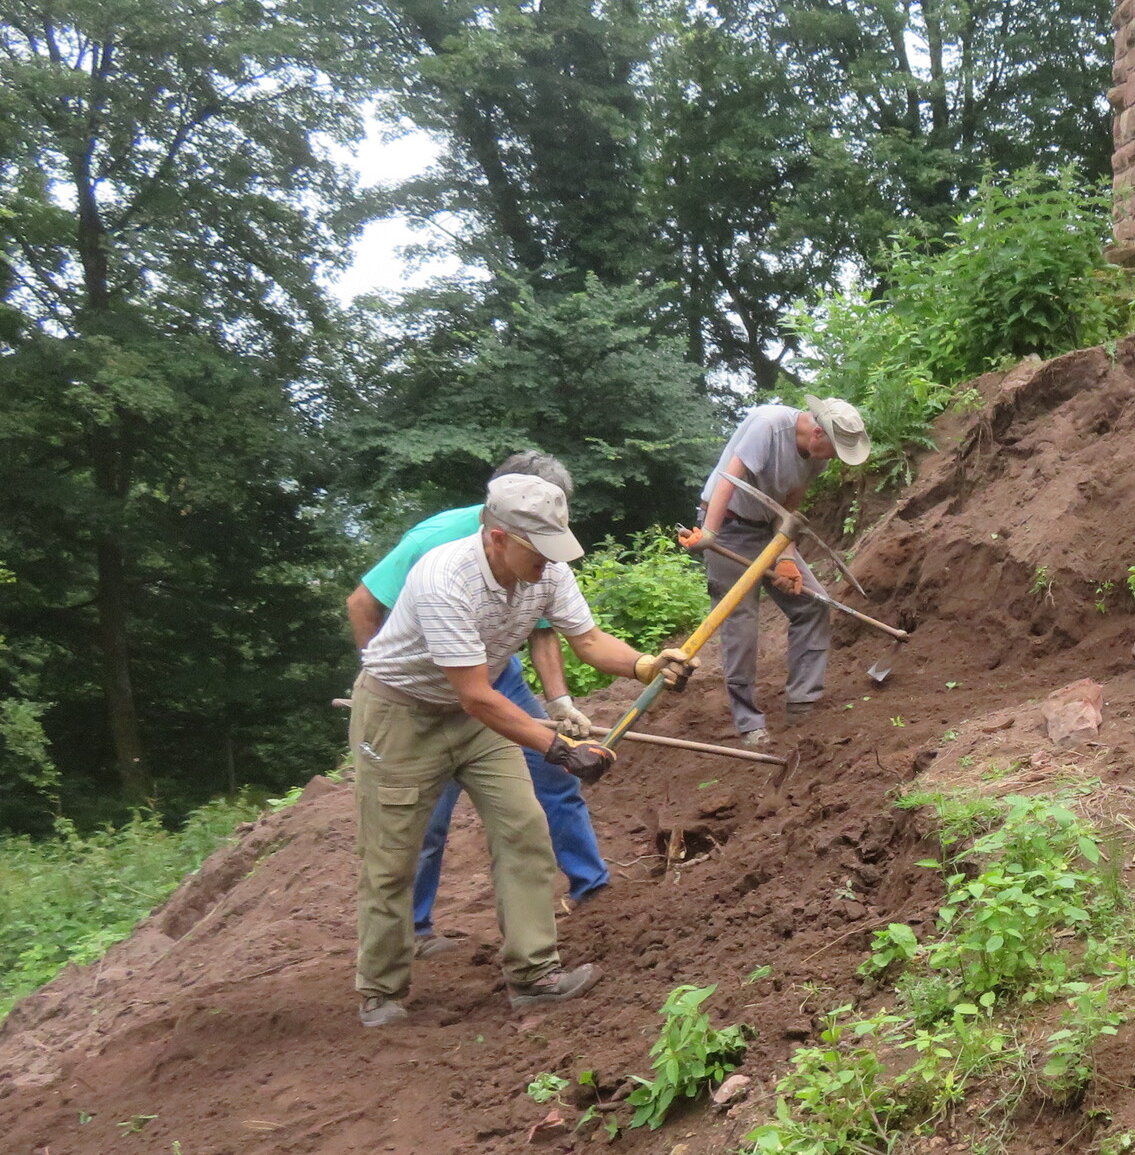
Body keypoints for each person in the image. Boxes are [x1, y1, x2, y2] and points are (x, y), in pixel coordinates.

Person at [349, 473, 687, 1028]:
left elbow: (588, 640)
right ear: (499, 537)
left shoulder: (546, 570)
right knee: (393, 855)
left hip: (474, 714)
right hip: (401, 716)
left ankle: (533, 974)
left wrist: (646, 665)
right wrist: (562, 749)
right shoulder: (443, 578)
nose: (550, 562)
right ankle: (381, 990)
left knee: (524, 829)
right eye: (539, 549)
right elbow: (477, 695)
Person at [346, 452, 608, 956]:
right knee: (415, 829)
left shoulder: (542, 560)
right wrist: (381, 680)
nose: (550, 557)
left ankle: (570, 915)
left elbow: (559, 632)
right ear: (501, 531)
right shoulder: (438, 554)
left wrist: (565, 700)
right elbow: (363, 605)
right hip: (416, 699)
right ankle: (407, 944)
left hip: (490, 676)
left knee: (531, 812)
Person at [678, 396, 870, 744]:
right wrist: (709, 533)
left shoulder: (815, 457)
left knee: (813, 604)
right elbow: (728, 478)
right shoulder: (768, 423)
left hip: (770, 531)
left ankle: (803, 702)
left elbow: (789, 509)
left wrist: (785, 557)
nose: (833, 459)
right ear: (818, 433)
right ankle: (748, 722)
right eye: (834, 450)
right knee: (741, 624)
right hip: (729, 528)